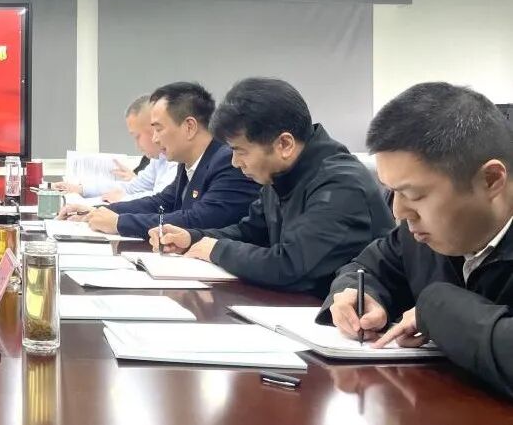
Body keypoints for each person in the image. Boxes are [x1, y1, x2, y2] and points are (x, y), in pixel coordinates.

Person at [318, 82, 513, 399]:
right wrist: (354, 293)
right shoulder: (420, 234)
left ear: (490, 180)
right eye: (392, 192)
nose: (399, 212)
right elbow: (367, 267)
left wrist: (434, 309)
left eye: (414, 195)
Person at [157, 78, 394, 297]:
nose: (235, 162)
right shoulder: (279, 174)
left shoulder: (341, 184)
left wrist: (216, 249)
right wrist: (194, 238)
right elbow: (250, 232)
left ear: (284, 144)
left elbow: (291, 267)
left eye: (240, 151)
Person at [59, 82, 258, 239]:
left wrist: (120, 223)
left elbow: (200, 219)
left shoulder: (228, 161)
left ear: (189, 127)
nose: (155, 139)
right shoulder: (189, 162)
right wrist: (98, 211)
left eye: (159, 129)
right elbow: (162, 202)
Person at [54, 94, 178, 202]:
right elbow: (133, 187)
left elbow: (162, 200)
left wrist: (123, 199)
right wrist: (81, 189)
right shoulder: (159, 159)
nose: (136, 145)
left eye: (137, 136)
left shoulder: (176, 158)